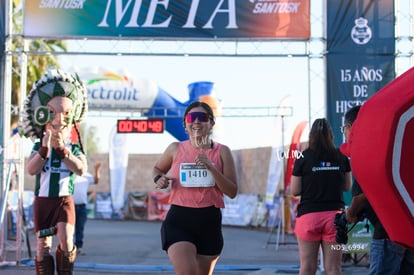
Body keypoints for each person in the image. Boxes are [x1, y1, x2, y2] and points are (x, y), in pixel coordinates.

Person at [152, 101, 238, 275]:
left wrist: (212, 168)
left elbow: (232, 191)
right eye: (192, 118)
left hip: (209, 221)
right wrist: (159, 178)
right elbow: (158, 169)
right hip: (179, 220)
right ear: (185, 124)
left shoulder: (223, 152)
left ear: (211, 123)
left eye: (202, 117)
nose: (196, 122)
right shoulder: (175, 149)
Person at [20, 68, 88, 275]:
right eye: (52, 114)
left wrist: (62, 151)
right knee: (43, 245)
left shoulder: (74, 148)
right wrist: (44, 149)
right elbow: (31, 170)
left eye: (66, 115)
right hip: (43, 199)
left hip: (64, 199)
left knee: (67, 238)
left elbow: (81, 169)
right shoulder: (38, 147)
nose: (59, 121)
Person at [342, 105, 414, 275]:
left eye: (343, 129)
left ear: (350, 128)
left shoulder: (365, 149)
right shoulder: (390, 143)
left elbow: (361, 197)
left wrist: (349, 214)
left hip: (387, 231)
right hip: (408, 229)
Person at [291, 118, 352, 275]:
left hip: (308, 217)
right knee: (333, 269)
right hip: (335, 219)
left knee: (307, 267)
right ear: (331, 135)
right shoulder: (341, 157)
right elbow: (347, 186)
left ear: (311, 136)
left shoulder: (302, 157)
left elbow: (295, 190)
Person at [73, 161, 102, 255]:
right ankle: (67, 248)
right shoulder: (70, 173)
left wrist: (97, 170)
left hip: (81, 206)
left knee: (80, 228)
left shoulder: (86, 175)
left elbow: (96, 181)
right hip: (70, 206)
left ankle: (78, 247)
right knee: (67, 228)